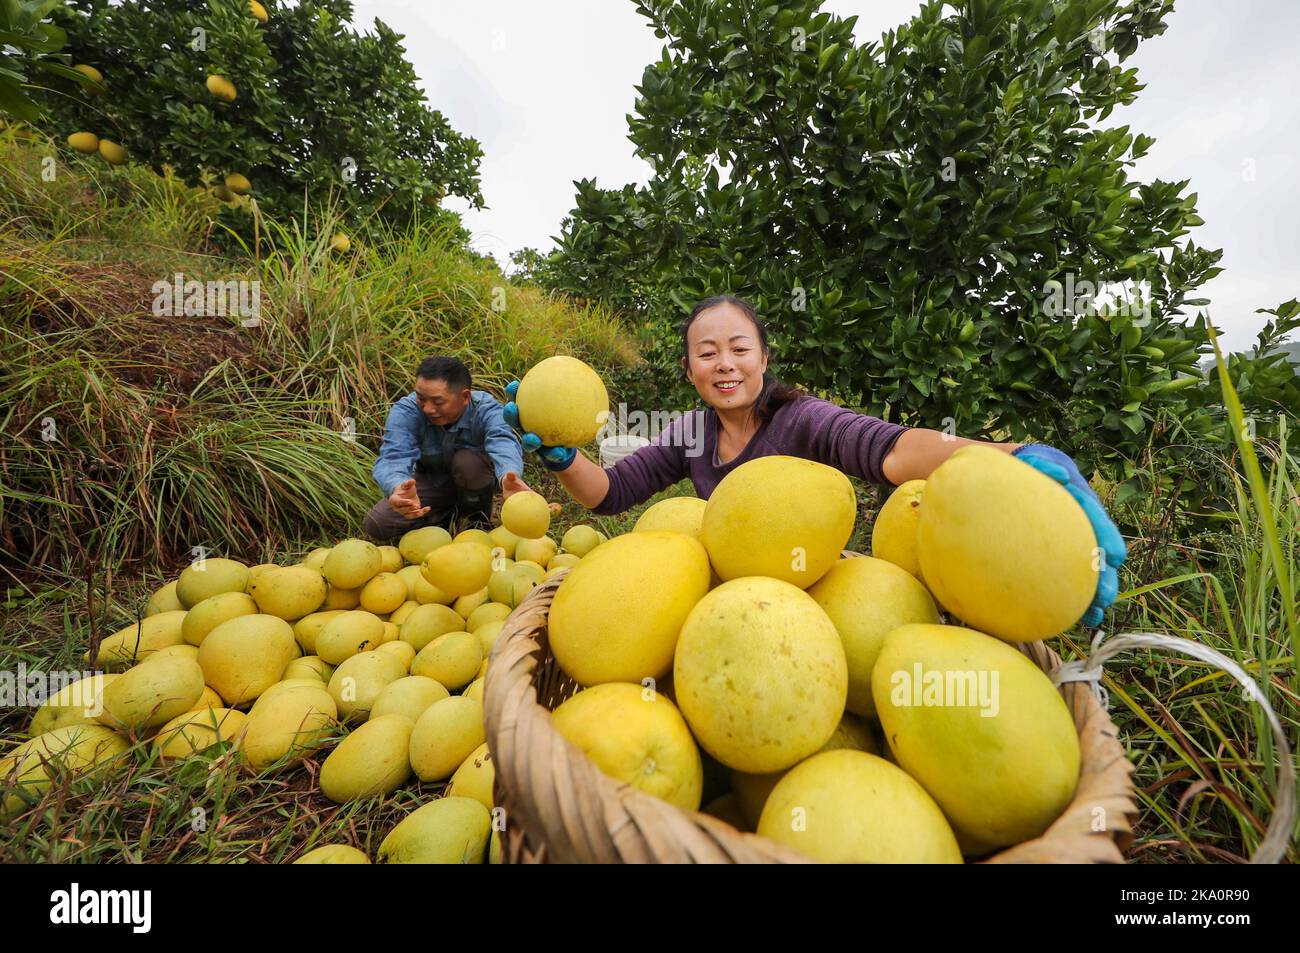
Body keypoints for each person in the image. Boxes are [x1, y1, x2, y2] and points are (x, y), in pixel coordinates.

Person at [503, 295, 1126, 627]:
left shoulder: (802, 419)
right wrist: (563, 456)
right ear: (690, 369)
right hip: (720, 608)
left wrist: (1012, 456)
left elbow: (892, 448)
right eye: (707, 352)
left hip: (810, 607)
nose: (725, 364)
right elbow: (610, 494)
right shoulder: (690, 432)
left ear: (764, 359)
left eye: (739, 348)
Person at [364, 355, 525, 541]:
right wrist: (398, 486)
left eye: (438, 402)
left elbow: (502, 441)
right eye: (421, 398)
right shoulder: (407, 411)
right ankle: (444, 515)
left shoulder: (486, 409)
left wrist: (508, 476)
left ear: (465, 396)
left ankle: (476, 522)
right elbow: (394, 455)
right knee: (378, 523)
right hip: (433, 480)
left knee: (468, 463)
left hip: (474, 479)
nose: (427, 409)